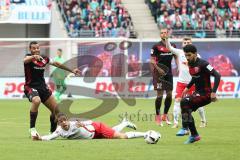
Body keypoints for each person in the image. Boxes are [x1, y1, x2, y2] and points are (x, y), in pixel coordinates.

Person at [23, 41, 80, 139]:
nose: (36, 50)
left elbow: (57, 64)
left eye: (37, 48)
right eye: (34, 48)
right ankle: (32, 129)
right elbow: (25, 60)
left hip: (43, 88)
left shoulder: (44, 58)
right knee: (36, 101)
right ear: (30, 50)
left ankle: (52, 132)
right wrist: (33, 57)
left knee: (56, 110)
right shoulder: (28, 58)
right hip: (30, 87)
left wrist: (72, 70)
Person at [178, 44, 221, 144]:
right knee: (185, 107)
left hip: (206, 94)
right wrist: (187, 88)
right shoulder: (190, 64)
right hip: (198, 93)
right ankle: (193, 135)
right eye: (186, 55)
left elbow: (217, 75)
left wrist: (213, 92)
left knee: (184, 102)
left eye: (189, 55)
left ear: (195, 54)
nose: (187, 58)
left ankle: (186, 129)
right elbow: (195, 76)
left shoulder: (204, 63)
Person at [165, 37, 207, 129]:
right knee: (177, 101)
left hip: (193, 83)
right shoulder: (180, 52)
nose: (187, 43)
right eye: (185, 42)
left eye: (188, 42)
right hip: (181, 82)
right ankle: (175, 123)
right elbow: (169, 48)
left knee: (198, 103)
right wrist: (167, 39)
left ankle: (203, 121)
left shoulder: (197, 56)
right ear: (182, 44)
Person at [32, 113, 154, 141]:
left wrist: (83, 124)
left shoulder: (74, 123)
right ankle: (125, 123)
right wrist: (40, 138)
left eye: (65, 120)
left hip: (97, 129)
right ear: (58, 124)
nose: (64, 123)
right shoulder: (59, 131)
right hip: (93, 136)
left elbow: (90, 121)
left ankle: (146, 134)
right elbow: (51, 137)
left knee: (121, 137)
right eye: (61, 122)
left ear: (67, 120)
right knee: (113, 132)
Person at [150, 28, 177, 126]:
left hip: (169, 73)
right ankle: (158, 117)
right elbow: (152, 60)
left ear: (168, 34)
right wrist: (158, 69)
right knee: (160, 96)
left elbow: (176, 56)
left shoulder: (172, 46)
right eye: (162, 33)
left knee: (169, 95)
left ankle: (165, 116)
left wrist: (179, 66)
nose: (163, 34)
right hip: (159, 73)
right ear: (160, 35)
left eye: (165, 32)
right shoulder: (156, 46)